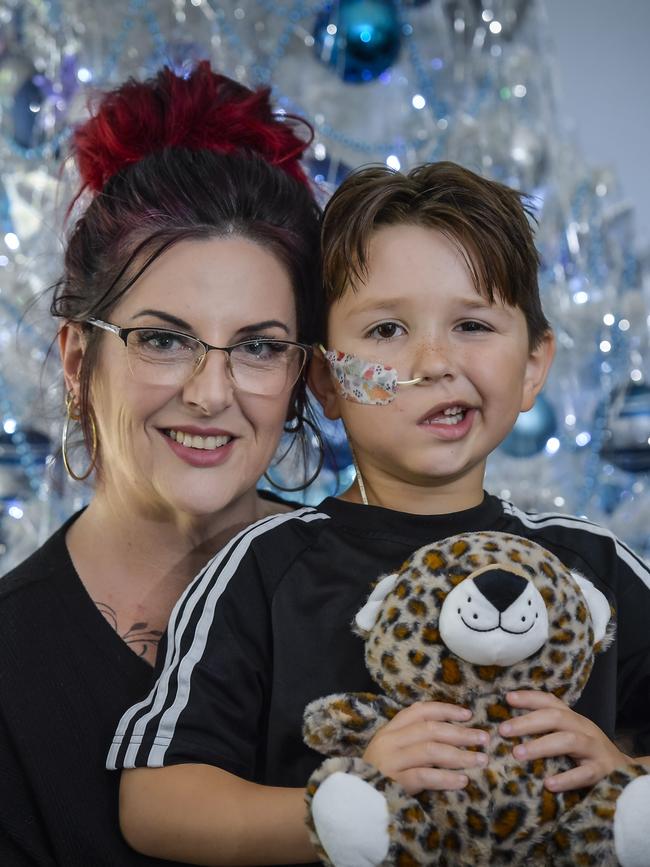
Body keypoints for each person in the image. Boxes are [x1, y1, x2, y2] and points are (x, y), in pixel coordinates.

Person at [110, 162, 650, 866]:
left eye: (473, 323)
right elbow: (155, 803)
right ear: (328, 379)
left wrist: (624, 774)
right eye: (389, 328)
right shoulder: (264, 569)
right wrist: (340, 806)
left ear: (533, 366)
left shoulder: (597, 567)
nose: (434, 360)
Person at [0, 62, 324, 866]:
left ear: (299, 374)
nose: (210, 393)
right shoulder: (10, 666)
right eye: (164, 339)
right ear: (79, 358)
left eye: (256, 346)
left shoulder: (374, 590)